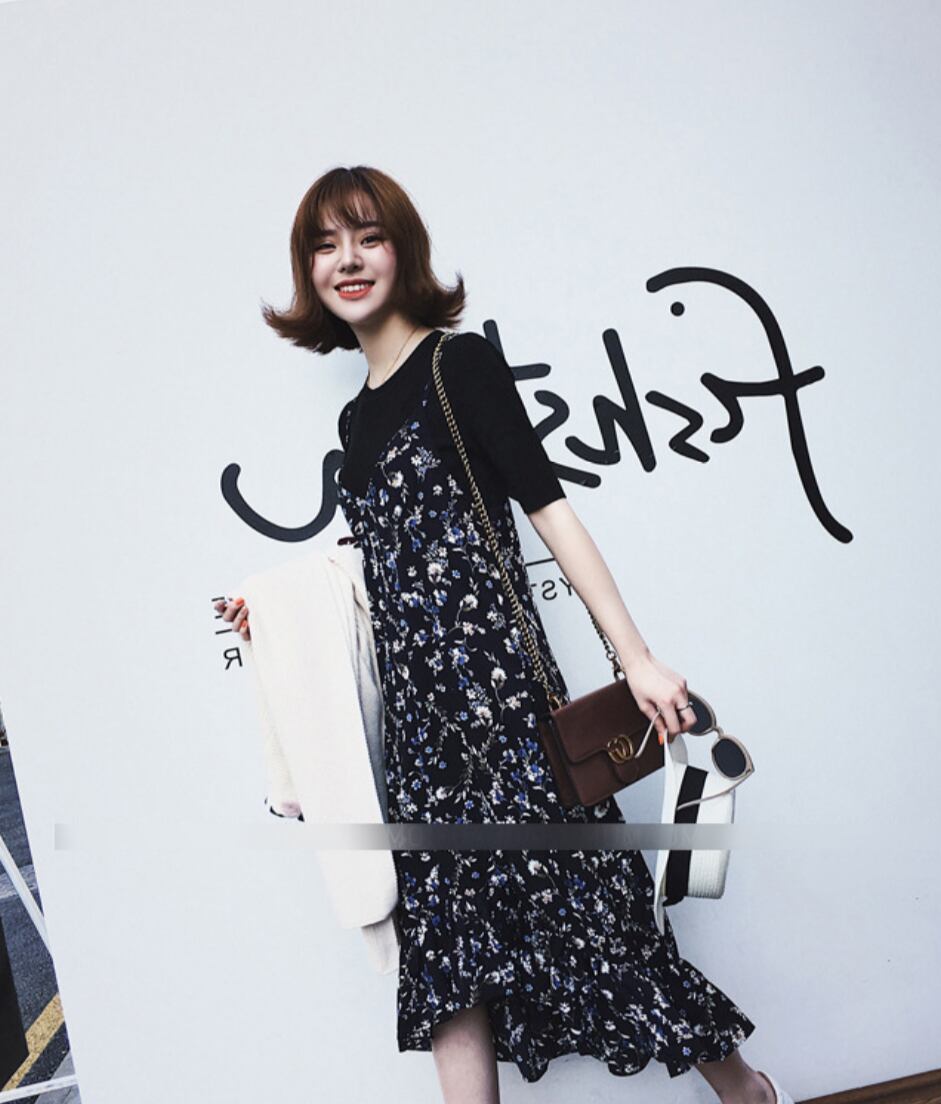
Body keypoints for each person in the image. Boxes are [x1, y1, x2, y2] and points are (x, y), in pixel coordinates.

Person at [215, 165, 786, 1104]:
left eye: (367, 237)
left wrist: (637, 660)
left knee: (605, 935)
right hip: (423, 746)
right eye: (325, 245)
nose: (347, 260)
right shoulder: (357, 419)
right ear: (306, 270)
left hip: (507, 720)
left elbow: (550, 513)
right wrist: (272, 611)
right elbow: (388, 567)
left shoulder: (458, 365)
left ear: (402, 249)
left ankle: (747, 1093)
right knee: (448, 969)